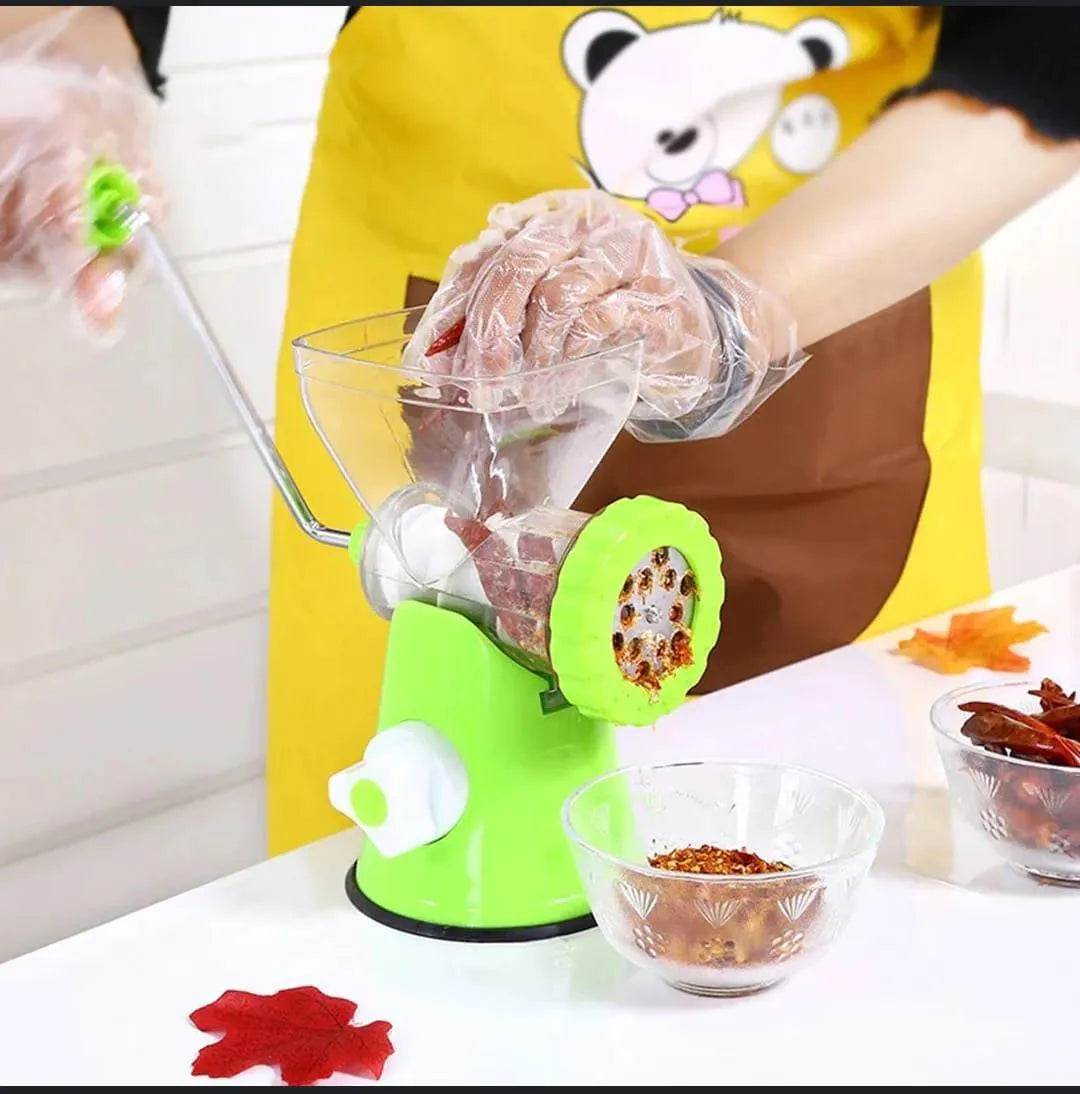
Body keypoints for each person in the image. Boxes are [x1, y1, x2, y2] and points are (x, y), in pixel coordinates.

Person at [2, 6, 1078, 856]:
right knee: (420, 887)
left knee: (835, 891)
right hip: (423, 329)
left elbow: (1048, 45)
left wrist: (743, 306)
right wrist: (59, 53)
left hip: (842, 287)